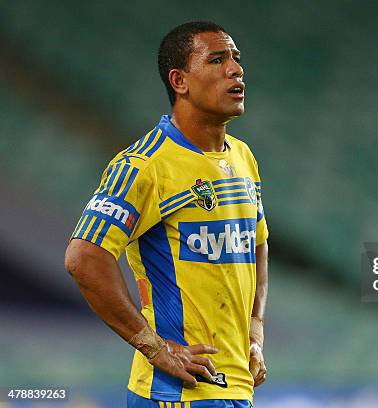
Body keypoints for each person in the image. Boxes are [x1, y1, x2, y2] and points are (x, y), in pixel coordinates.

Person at [64, 21, 268, 408]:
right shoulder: (145, 165)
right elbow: (84, 258)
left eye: (236, 59)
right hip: (175, 396)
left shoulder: (243, 157)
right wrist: (155, 348)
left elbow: (257, 245)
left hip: (234, 386)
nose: (235, 69)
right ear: (180, 81)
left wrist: (254, 333)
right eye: (217, 59)